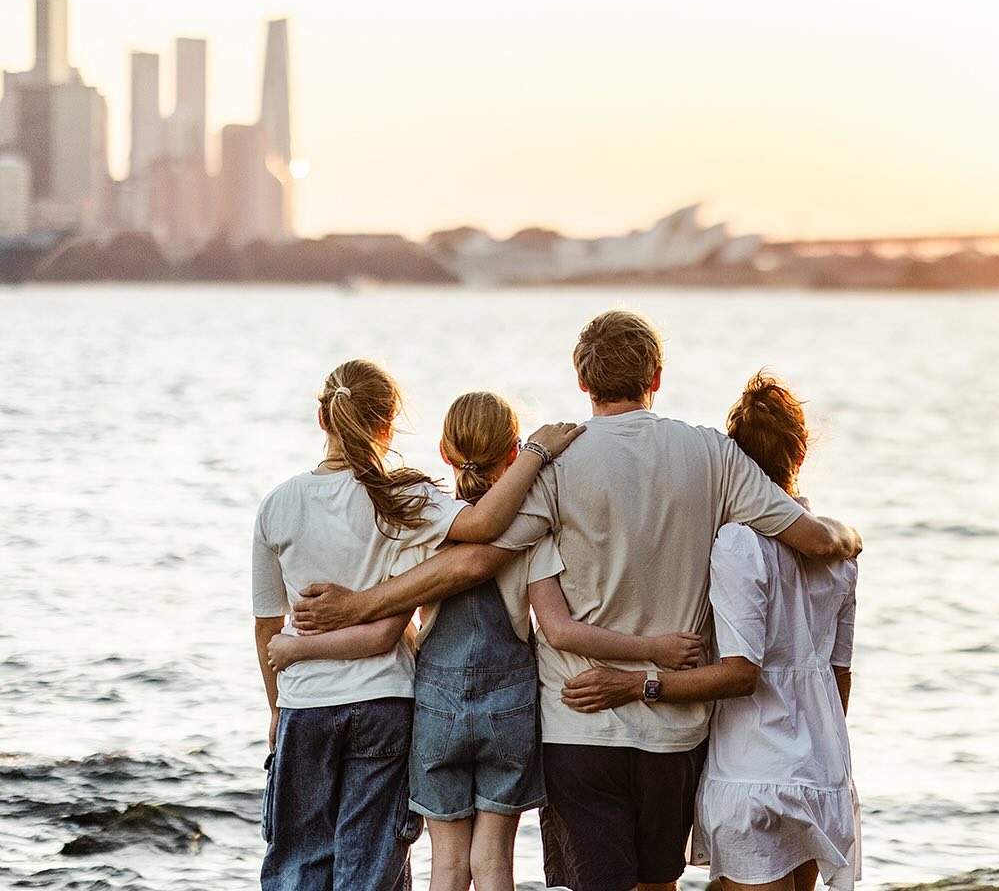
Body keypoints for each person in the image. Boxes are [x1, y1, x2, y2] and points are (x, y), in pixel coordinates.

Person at [291, 311, 862, 891]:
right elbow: (814, 540)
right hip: (675, 731)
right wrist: (848, 537)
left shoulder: (560, 463)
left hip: (577, 723)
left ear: (583, 381)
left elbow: (477, 558)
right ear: (656, 377)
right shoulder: (712, 454)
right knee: (658, 884)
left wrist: (360, 605)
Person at [268, 391, 701, 891]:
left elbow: (395, 614)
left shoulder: (426, 528)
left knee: (448, 868)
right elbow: (555, 626)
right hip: (511, 707)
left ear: (445, 452)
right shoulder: (528, 535)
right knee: (494, 863)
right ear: (512, 455)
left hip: (436, 706)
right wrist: (654, 650)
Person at [252, 360, 583, 891]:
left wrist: (277, 702)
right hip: (389, 700)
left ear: (322, 420)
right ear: (388, 424)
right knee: (381, 865)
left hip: (316, 706)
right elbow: (480, 531)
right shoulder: (402, 500)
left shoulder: (277, 505)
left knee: (300, 862)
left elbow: (267, 627)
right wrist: (537, 457)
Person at [561, 371, 860, 891]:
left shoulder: (740, 544)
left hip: (752, 768)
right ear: (801, 454)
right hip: (821, 769)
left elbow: (741, 675)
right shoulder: (840, 554)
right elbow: (840, 676)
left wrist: (636, 683)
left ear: (737, 461)